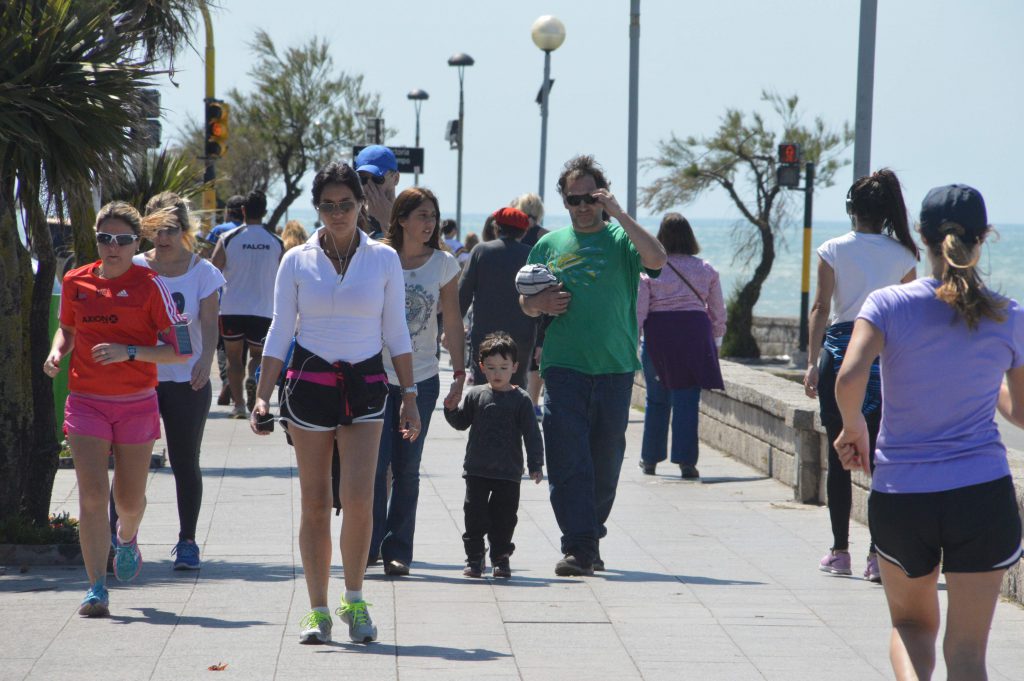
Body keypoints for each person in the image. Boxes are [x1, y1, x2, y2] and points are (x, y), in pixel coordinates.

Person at [834, 184, 1023, 681]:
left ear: (919, 237)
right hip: (982, 496)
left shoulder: (888, 304)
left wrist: (853, 426)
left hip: (904, 495)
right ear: (983, 239)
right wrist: (989, 389)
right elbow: (1022, 412)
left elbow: (849, 378)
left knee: (911, 625)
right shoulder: (1009, 315)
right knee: (967, 654)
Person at [252, 162, 418, 644]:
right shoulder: (296, 260)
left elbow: (396, 332)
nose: (338, 213)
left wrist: (410, 397)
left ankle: (355, 599)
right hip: (309, 385)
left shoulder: (383, 259)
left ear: (361, 204)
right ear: (317, 206)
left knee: (361, 500)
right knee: (316, 503)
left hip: (367, 384)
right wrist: (261, 397)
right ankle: (318, 610)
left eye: (347, 204)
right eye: (328, 205)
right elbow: (280, 330)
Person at [521, 155, 667, 576]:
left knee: (605, 461)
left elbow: (656, 260)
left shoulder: (621, 240)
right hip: (564, 366)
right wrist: (537, 304)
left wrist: (619, 213)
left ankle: (589, 534)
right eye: (574, 199)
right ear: (563, 201)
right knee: (567, 459)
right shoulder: (549, 244)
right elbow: (525, 301)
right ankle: (579, 546)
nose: (582, 207)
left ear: (602, 196)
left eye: (590, 198)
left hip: (614, 368)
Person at [43, 201, 191, 617]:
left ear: (135, 243)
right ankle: (95, 587)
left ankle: (127, 537)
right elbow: (68, 329)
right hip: (86, 401)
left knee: (128, 500)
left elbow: (182, 350)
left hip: (136, 404)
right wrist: (57, 353)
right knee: (91, 497)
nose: (113, 247)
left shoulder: (151, 285)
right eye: (105, 238)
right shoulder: (75, 281)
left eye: (123, 240)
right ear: (96, 239)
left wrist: (130, 352)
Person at [803, 169, 918, 582]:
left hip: (840, 356)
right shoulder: (904, 256)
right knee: (879, 458)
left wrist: (813, 362)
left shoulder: (833, 249)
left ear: (852, 210)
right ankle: (877, 556)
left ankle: (839, 551)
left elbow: (820, 308)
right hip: (883, 359)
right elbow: (909, 317)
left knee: (842, 455)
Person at [369, 187, 467, 576]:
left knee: (408, 467)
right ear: (402, 219)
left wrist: (459, 374)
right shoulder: (378, 256)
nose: (429, 224)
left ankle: (398, 550)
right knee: (375, 465)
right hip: (375, 374)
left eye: (433, 216)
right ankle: (369, 541)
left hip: (423, 377)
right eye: (422, 216)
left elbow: (454, 322)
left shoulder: (443, 264)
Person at [133, 192, 225, 570]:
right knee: (130, 462)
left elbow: (208, 323)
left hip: (187, 380)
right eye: (155, 230)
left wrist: (205, 360)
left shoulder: (203, 271)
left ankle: (187, 541)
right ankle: (119, 538)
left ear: (185, 231)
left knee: (185, 460)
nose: (163, 238)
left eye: (170, 230)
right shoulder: (135, 267)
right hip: (139, 377)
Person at [444, 333, 543, 579]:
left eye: (503, 367)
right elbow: (461, 423)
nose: (497, 373)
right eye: (491, 368)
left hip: (508, 473)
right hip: (477, 470)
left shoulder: (521, 400)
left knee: (505, 519)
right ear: (481, 368)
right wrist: (450, 408)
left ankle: (501, 558)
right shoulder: (476, 395)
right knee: (474, 517)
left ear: (515, 368)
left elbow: (532, 434)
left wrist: (535, 464)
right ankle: (475, 558)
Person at [636, 213, 726, 480]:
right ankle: (687, 462)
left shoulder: (649, 270)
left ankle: (650, 459)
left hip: (659, 337)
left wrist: (634, 337)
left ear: (660, 237)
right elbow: (718, 312)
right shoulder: (706, 269)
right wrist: (716, 339)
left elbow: (640, 310)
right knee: (687, 400)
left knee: (656, 400)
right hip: (693, 336)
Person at [211, 189, 284, 418]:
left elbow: (213, 272)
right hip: (263, 310)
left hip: (232, 308)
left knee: (233, 359)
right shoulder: (276, 242)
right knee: (257, 357)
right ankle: (253, 376)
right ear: (265, 212)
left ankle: (239, 405)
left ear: (243, 210)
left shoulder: (229, 238)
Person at [458, 207, 535, 388]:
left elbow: (463, 294)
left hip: (485, 335)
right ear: (524, 231)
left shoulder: (481, 251)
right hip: (522, 337)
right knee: (516, 386)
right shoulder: (531, 254)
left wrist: (451, 328)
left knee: (483, 386)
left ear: (496, 228)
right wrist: (540, 341)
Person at [355, 144, 400, 236]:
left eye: (377, 179)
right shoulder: (353, 220)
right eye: (363, 179)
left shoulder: (411, 216)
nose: (370, 186)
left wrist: (388, 220)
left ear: (395, 178)